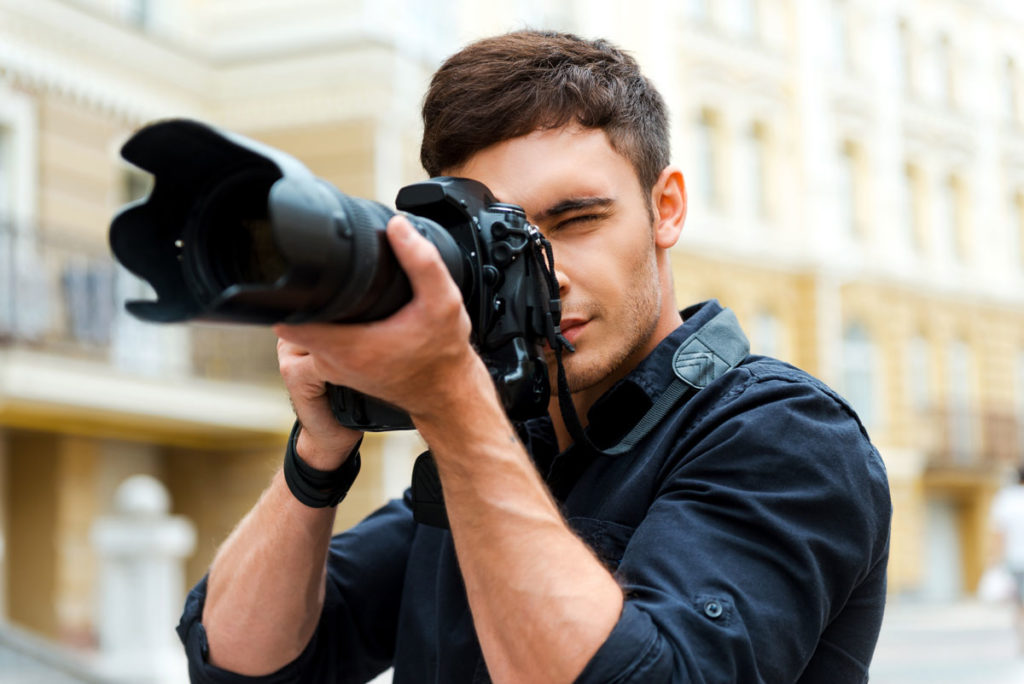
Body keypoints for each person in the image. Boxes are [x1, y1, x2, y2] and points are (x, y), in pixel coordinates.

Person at [177, 30, 891, 683]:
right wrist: (319, 449)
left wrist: (453, 403)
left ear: (665, 207)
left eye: (576, 220)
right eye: (502, 241)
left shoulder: (783, 432)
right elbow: (240, 664)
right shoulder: (502, 448)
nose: (545, 273)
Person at [991, 466, 1024, 653]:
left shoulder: (1006, 499)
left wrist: (995, 560)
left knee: (1019, 604)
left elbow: (999, 534)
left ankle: (1022, 641)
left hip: (1015, 560)